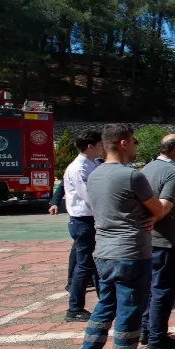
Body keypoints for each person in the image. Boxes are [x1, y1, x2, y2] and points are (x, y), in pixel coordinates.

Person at [69, 124, 166, 349]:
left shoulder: (95, 173)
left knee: (104, 306)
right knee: (130, 310)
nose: (135, 146)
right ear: (123, 143)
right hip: (131, 251)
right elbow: (157, 208)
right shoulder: (131, 176)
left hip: (104, 252)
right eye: (133, 141)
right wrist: (154, 214)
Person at [138, 134, 175, 349]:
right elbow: (164, 205)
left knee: (150, 289)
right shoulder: (172, 173)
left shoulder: (146, 168)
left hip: (148, 240)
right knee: (163, 290)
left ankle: (146, 331)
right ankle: (157, 336)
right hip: (166, 241)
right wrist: (154, 219)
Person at [62, 130, 104, 322]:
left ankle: (104, 299)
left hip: (90, 220)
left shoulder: (92, 164)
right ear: (91, 146)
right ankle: (74, 307)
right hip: (83, 220)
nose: (103, 147)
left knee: (94, 264)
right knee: (84, 266)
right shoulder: (80, 168)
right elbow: (89, 196)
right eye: (100, 144)